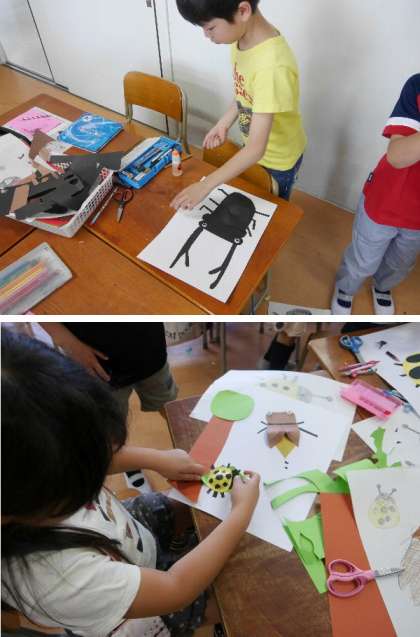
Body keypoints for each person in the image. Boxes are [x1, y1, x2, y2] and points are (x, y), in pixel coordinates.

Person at [1, 329, 260, 637]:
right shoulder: (58, 579)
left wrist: (156, 459)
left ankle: (173, 548)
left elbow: (88, 456)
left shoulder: (28, 471)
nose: (95, 471)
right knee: (234, 598)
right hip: (131, 614)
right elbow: (177, 589)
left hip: (123, 532)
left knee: (182, 505)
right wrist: (240, 515)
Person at [171, 0, 307, 210]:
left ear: (243, 11)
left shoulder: (272, 67)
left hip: (277, 161)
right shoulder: (243, 39)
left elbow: (256, 149)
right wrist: (224, 123)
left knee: (270, 215)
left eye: (210, 28)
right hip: (256, 146)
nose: (206, 36)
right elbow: (246, 93)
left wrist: (205, 185)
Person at [40, 322, 177, 490]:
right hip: (94, 364)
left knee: (170, 406)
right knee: (110, 434)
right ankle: (129, 465)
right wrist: (69, 343)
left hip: (149, 349)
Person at [332, 74, 420, 315]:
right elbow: (397, 156)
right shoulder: (416, 85)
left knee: (401, 263)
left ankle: (382, 287)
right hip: (386, 202)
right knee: (364, 259)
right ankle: (346, 288)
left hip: (417, 221)